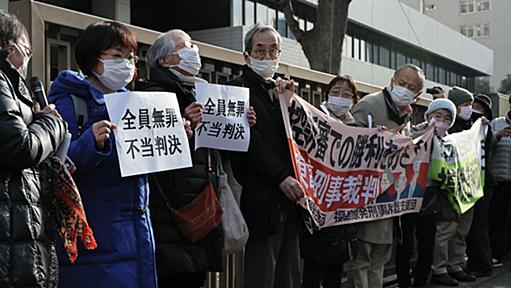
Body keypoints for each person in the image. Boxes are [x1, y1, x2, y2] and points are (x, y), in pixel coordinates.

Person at [135, 29, 254, 287]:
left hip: (199, 209)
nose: (194, 52)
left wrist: (241, 125)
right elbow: (149, 155)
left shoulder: (199, 93)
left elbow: (224, 151)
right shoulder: (150, 97)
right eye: (184, 47)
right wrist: (183, 126)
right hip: (171, 214)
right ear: (163, 61)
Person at [48, 21, 157, 288]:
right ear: (92, 59)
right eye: (117, 56)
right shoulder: (70, 102)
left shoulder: (134, 104)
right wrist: (91, 144)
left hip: (135, 232)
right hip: (95, 237)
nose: (127, 64)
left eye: (131, 57)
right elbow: (56, 166)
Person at [227, 23, 304, 288]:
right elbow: (252, 144)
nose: (267, 57)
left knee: (289, 273)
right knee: (262, 273)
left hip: (291, 198)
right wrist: (281, 176)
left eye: (273, 50)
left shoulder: (282, 93)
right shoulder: (236, 90)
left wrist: (292, 103)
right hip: (261, 197)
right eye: (260, 51)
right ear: (246, 56)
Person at [0, 10, 67, 288]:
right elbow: (19, 148)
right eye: (27, 49)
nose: (27, 57)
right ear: (10, 47)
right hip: (10, 244)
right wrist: (53, 124)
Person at [345, 63, 425, 288]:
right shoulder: (370, 104)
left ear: (417, 95)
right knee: (362, 256)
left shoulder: (405, 115)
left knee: (380, 255)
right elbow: (349, 143)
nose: (404, 89)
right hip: (364, 194)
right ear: (392, 81)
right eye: (402, 83)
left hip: (389, 197)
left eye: (411, 87)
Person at [300, 75, 359, 288]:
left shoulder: (357, 127)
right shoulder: (313, 118)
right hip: (318, 202)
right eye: (336, 92)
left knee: (336, 268)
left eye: (346, 94)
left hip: (343, 205)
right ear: (326, 95)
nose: (340, 97)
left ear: (354, 100)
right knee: (314, 268)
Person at [395, 99, 457, 288]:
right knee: (405, 246)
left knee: (427, 246)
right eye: (437, 116)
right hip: (406, 195)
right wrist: (424, 134)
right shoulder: (413, 134)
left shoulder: (449, 144)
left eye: (446, 118)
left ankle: (421, 282)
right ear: (428, 116)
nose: (441, 121)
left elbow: (450, 172)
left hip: (430, 198)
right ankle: (404, 283)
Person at [431, 86, 476, 286]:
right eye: (465, 105)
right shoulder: (426, 134)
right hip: (442, 190)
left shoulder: (461, 133)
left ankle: (456, 264)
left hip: (464, 187)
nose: (443, 121)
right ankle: (439, 268)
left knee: (460, 230)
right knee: (444, 230)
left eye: (447, 118)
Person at [465, 93, 495, 277]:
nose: (474, 109)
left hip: (483, 182)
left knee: (479, 225)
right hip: (471, 181)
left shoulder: (484, 127)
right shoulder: (469, 125)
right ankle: (476, 262)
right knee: (471, 226)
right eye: (472, 104)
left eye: (479, 107)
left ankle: (483, 263)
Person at [488, 95, 511, 265]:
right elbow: (485, 145)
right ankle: (496, 253)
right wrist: (497, 136)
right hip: (499, 180)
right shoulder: (497, 123)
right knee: (497, 218)